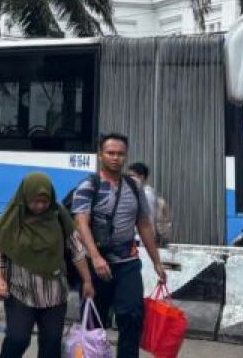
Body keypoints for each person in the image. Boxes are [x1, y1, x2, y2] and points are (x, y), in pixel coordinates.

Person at [71, 134, 167, 358]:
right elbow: (81, 222)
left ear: (126, 157)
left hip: (128, 263)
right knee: (94, 322)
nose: (115, 158)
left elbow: (143, 223)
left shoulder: (134, 186)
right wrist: (95, 257)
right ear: (101, 155)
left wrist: (156, 262)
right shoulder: (88, 185)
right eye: (110, 153)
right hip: (95, 265)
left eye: (120, 154)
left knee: (132, 315)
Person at [0, 172, 95, 358]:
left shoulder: (58, 216)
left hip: (54, 294)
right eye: (34, 201)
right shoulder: (13, 218)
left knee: (51, 344)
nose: (39, 206)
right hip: (20, 292)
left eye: (44, 201)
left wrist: (87, 280)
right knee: (17, 339)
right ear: (25, 197)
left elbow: (77, 250)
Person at [127, 162, 172, 247]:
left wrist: (149, 241)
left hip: (143, 241)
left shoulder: (146, 194)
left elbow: (149, 218)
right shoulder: (142, 192)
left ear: (141, 177)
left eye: (132, 176)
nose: (129, 179)